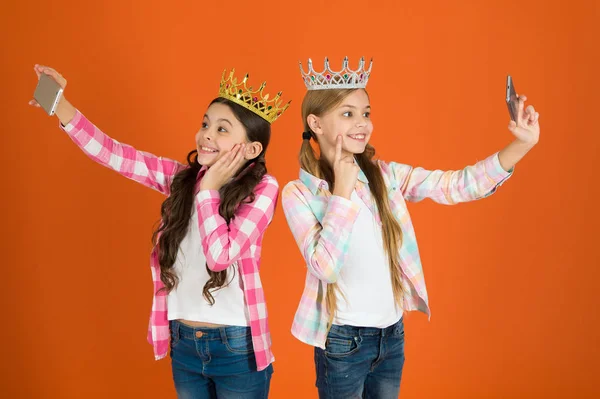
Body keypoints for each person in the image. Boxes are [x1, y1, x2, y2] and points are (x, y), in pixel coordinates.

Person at [282, 56, 540, 398]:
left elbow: (456, 185)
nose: (363, 123)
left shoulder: (385, 176)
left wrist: (522, 144)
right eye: (348, 113)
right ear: (315, 123)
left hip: (391, 335)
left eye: (366, 113)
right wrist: (341, 193)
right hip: (343, 342)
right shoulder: (299, 193)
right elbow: (325, 268)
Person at [29, 65, 290, 399]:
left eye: (222, 129)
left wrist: (209, 189)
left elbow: (221, 256)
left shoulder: (263, 189)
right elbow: (116, 155)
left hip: (237, 346)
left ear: (252, 149)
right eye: (206, 124)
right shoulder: (183, 179)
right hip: (184, 344)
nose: (207, 134)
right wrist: (58, 103)